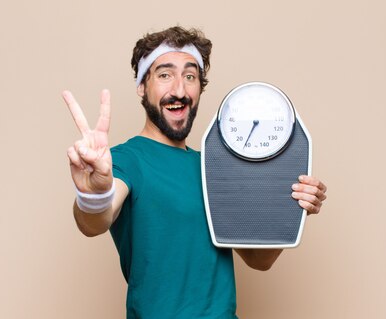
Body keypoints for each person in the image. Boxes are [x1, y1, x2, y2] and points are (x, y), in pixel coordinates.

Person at [63, 26, 327, 319]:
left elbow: (258, 259)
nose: (179, 89)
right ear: (142, 86)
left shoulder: (216, 166)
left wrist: (291, 209)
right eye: (164, 75)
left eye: (190, 76)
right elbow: (93, 223)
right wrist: (94, 193)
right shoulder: (125, 160)